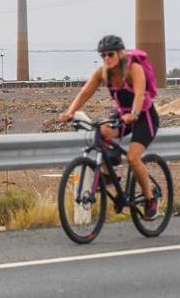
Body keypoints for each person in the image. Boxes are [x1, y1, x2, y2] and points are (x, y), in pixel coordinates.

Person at [59, 35, 160, 219]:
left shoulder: (134, 69)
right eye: (103, 55)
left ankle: (150, 198)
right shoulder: (103, 73)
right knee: (102, 132)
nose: (107, 59)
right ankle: (106, 173)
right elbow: (85, 92)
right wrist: (70, 112)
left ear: (121, 53)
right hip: (123, 116)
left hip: (144, 116)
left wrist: (134, 114)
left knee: (133, 157)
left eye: (110, 54)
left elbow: (139, 94)